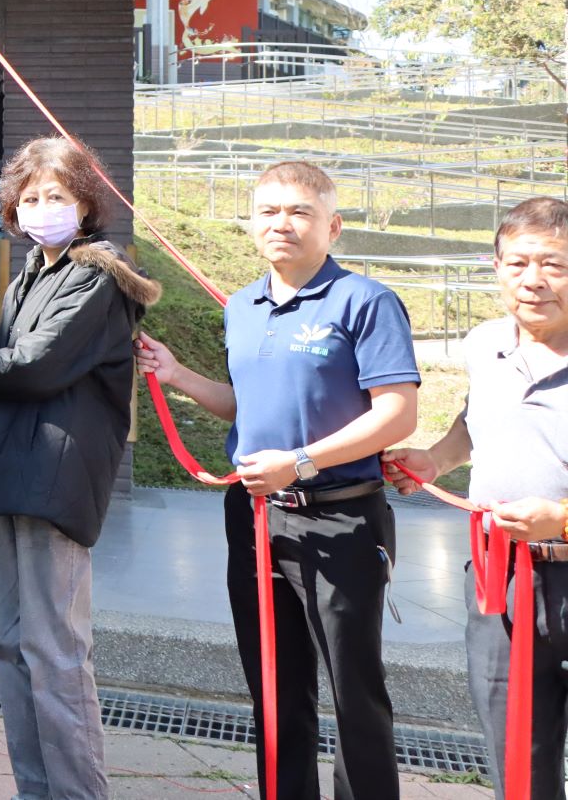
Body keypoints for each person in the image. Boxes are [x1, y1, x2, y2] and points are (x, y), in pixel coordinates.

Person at [136, 160, 417, 800]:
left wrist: (302, 462)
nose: (281, 224)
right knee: (274, 683)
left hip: (340, 516)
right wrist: (177, 374)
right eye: (267, 211)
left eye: (299, 212)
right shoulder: (242, 306)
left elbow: (397, 412)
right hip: (256, 517)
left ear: (333, 226)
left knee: (354, 690)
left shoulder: (364, 301)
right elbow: (246, 405)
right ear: (252, 223)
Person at [0, 137, 159, 800]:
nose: (42, 207)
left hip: (56, 475)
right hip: (12, 472)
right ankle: (36, 788)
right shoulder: (31, 273)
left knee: (55, 653)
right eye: (30, 197)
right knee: (11, 645)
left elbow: (35, 364)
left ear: (85, 203)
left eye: (57, 195)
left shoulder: (98, 274)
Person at [383, 196, 568, 800]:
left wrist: (561, 518)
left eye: (554, 265)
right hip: (500, 579)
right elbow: (475, 421)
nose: (533, 281)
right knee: (514, 752)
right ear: (495, 267)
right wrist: (434, 459)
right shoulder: (484, 342)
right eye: (517, 264)